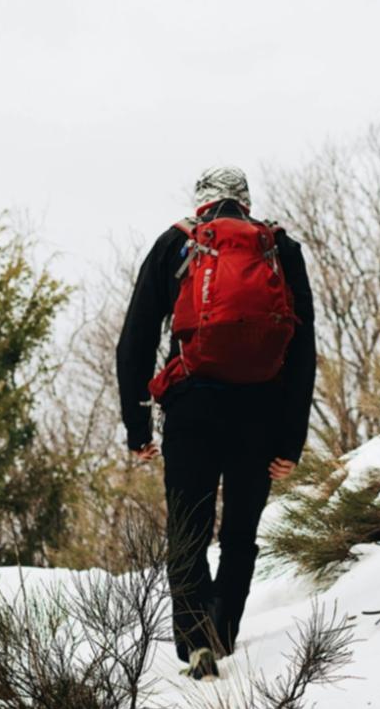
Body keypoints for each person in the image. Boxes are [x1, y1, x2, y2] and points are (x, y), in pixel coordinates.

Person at [117, 166, 316, 680]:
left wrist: (137, 429)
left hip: (192, 407)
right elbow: (302, 351)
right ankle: (222, 632)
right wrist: (290, 441)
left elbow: (135, 341)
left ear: (201, 201)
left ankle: (194, 644)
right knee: (240, 533)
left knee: (188, 528)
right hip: (261, 409)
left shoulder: (176, 244)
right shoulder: (279, 248)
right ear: (245, 202)